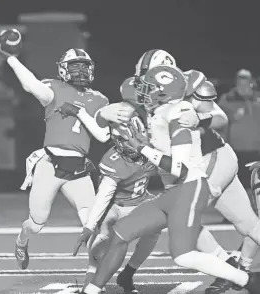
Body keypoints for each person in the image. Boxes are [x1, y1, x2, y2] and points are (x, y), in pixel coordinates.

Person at [80, 65, 260, 294]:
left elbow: (181, 166)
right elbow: (110, 115)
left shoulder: (180, 112)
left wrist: (197, 119)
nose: (142, 90)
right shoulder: (155, 108)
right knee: (121, 232)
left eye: (148, 85)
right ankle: (93, 290)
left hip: (196, 175)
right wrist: (102, 113)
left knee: (184, 250)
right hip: (178, 187)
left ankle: (239, 275)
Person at [0, 30, 110, 270]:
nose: (80, 71)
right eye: (74, 66)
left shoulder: (100, 99)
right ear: (63, 69)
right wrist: (11, 58)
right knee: (37, 224)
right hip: (50, 165)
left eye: (84, 66)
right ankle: (21, 241)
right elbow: (31, 86)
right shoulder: (54, 89)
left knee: (92, 222)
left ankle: (98, 273)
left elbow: (102, 135)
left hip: (78, 170)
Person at [73, 115, 160, 291]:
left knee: (155, 228)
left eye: (137, 139)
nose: (134, 144)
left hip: (139, 202)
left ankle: (128, 273)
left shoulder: (152, 149)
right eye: (129, 140)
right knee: (101, 238)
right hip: (115, 205)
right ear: (118, 142)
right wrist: (89, 226)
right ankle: (91, 275)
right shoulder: (113, 160)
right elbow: (104, 196)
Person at [218, 69, 260, 188]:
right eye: (240, 80)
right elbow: (218, 120)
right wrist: (231, 116)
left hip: (257, 150)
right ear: (236, 81)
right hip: (237, 150)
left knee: (256, 186)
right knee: (240, 186)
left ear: (251, 81)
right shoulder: (227, 99)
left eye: (246, 80)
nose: (243, 83)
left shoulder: (258, 98)